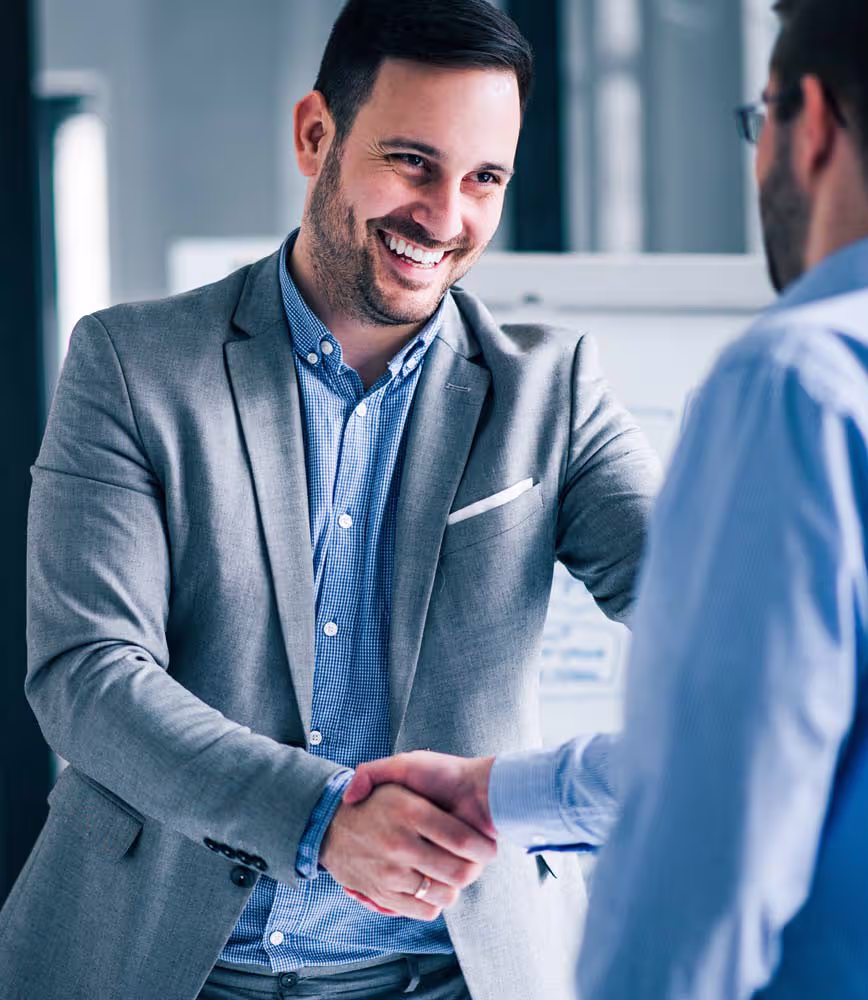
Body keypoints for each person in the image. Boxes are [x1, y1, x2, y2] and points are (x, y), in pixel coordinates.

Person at [0, 1, 659, 998]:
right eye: (412, 162)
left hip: (448, 971)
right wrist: (320, 820)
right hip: (161, 958)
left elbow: (721, 630)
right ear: (317, 134)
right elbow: (86, 674)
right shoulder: (131, 364)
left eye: (484, 178)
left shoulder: (552, 394)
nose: (445, 218)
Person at [347, 0, 868, 996]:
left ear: (811, 121)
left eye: (759, 118)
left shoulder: (804, 382)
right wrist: (497, 792)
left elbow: (710, 838)